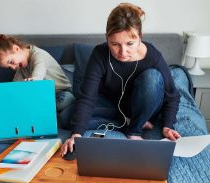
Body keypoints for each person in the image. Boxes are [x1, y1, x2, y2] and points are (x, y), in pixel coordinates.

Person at [61, 3, 181, 156]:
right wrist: (76, 135)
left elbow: (172, 96)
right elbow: (87, 97)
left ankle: (134, 129)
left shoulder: (153, 57)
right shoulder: (100, 54)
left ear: (140, 37)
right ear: (107, 39)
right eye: (115, 44)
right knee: (66, 118)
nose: (122, 52)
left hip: (144, 105)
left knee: (152, 78)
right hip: (114, 106)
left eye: (130, 44)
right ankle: (126, 121)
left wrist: (167, 126)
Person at [0, 34, 75, 112]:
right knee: (20, 101)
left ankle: (44, 110)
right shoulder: (21, 67)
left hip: (61, 92)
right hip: (44, 96)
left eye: (11, 62)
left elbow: (39, 72)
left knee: (65, 100)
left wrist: (34, 80)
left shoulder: (39, 55)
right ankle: (45, 110)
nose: (13, 67)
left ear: (16, 49)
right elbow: (14, 87)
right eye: (9, 67)